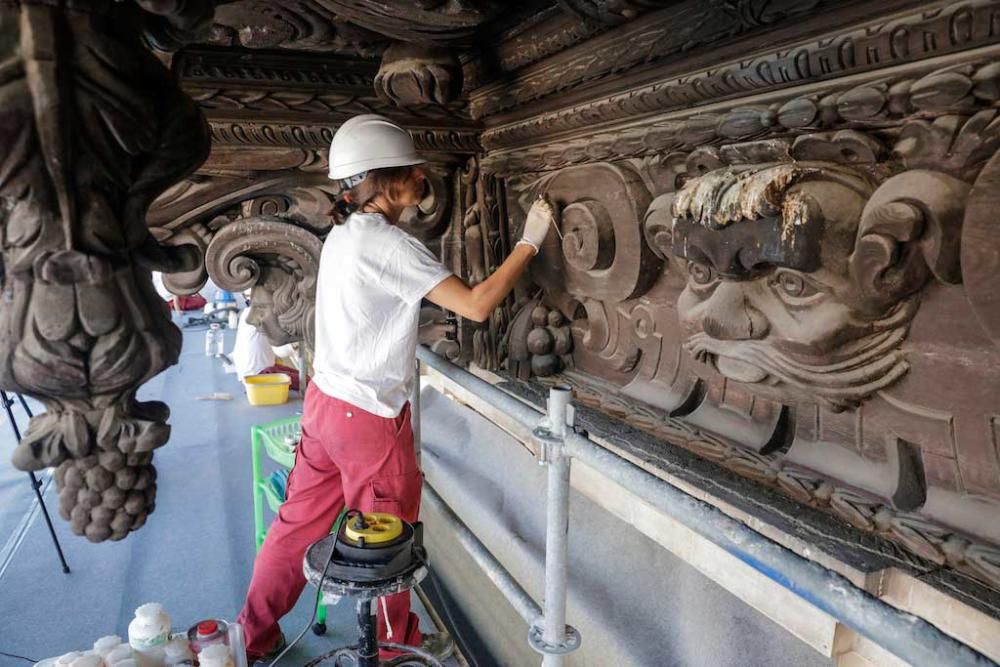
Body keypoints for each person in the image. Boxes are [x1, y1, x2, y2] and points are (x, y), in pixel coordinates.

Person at [236, 114, 556, 661]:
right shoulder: (392, 246)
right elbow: (476, 306)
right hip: (368, 422)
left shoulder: (341, 233)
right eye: (412, 169)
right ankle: (393, 651)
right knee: (389, 544)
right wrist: (528, 244)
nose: (423, 174)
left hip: (325, 405)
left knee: (294, 530)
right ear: (386, 180)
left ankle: (250, 637)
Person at [231, 306, 301, 392]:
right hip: (259, 374)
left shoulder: (250, 311)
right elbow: (282, 350)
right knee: (306, 383)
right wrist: (296, 343)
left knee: (304, 377)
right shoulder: (261, 314)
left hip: (261, 368)